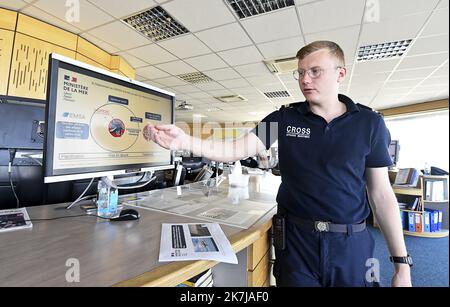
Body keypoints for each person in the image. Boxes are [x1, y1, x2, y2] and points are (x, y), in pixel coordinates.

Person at [147, 41, 412, 287]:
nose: (305, 79)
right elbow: (232, 151)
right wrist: (185, 141)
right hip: (297, 242)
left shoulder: (369, 123)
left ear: (340, 74)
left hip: (351, 244)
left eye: (315, 71)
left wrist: (402, 264)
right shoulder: (283, 118)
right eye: (300, 73)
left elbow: (380, 194)